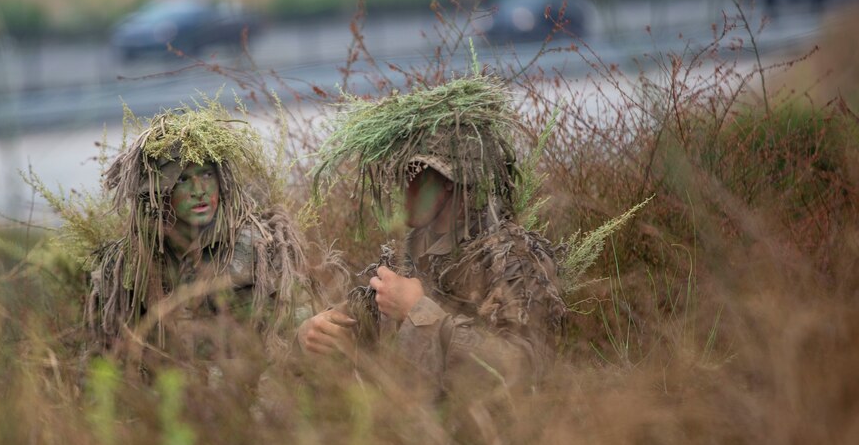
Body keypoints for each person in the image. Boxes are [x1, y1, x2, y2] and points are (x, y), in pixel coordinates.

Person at [298, 75, 566, 404]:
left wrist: (421, 311)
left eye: (412, 176)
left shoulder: (508, 258)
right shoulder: (406, 254)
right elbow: (357, 321)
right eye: (394, 176)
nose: (399, 189)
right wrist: (316, 331)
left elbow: (524, 370)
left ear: (450, 181)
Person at [81, 101, 310, 392]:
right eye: (184, 180)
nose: (200, 190)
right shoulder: (126, 267)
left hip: (248, 403)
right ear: (158, 193)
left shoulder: (262, 247)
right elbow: (104, 363)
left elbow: (293, 331)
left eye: (206, 175)